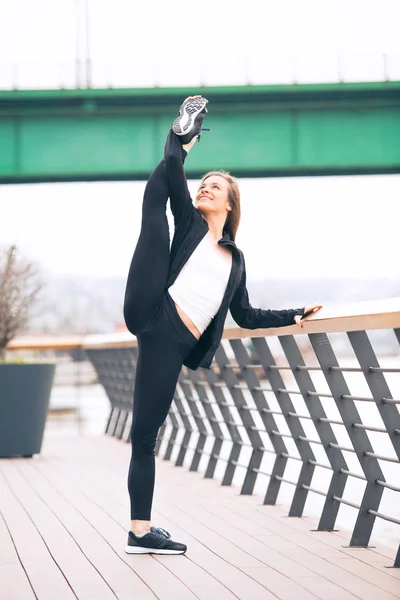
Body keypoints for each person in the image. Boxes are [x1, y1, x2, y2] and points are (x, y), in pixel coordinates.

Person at [123, 96, 322, 555]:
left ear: (231, 204)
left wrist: (294, 315)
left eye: (216, 187)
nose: (206, 189)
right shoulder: (190, 222)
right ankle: (185, 128)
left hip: (174, 345)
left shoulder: (236, 260)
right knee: (155, 215)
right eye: (204, 184)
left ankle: (139, 529)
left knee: (146, 436)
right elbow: (173, 172)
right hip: (154, 312)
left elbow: (246, 315)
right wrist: (182, 140)